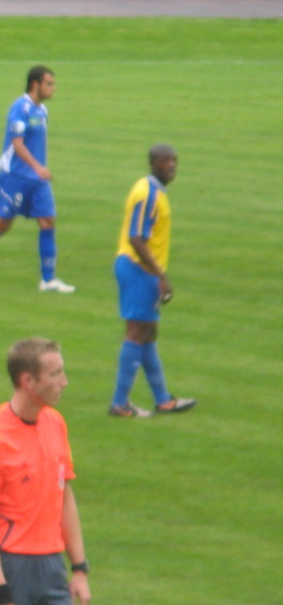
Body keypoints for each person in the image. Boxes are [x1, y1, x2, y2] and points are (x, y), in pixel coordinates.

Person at [0, 337, 91, 605]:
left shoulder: (55, 423)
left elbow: (64, 497)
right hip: (9, 570)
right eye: (55, 374)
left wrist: (80, 568)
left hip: (52, 569)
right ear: (28, 381)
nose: (65, 382)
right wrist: (0, 596)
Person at [0, 66, 74, 293]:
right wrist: (38, 167)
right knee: (3, 225)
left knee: (47, 222)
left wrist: (39, 172)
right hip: (15, 177)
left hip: (37, 180)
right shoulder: (20, 108)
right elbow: (18, 143)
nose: (53, 88)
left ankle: (48, 279)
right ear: (35, 84)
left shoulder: (42, 111)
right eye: (49, 83)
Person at [108, 145, 196, 417]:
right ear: (153, 163)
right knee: (136, 332)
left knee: (148, 332)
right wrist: (160, 275)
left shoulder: (151, 190)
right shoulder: (149, 194)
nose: (172, 165)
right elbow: (137, 237)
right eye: (166, 161)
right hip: (138, 269)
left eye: (174, 161)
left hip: (140, 269)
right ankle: (120, 403)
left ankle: (163, 400)